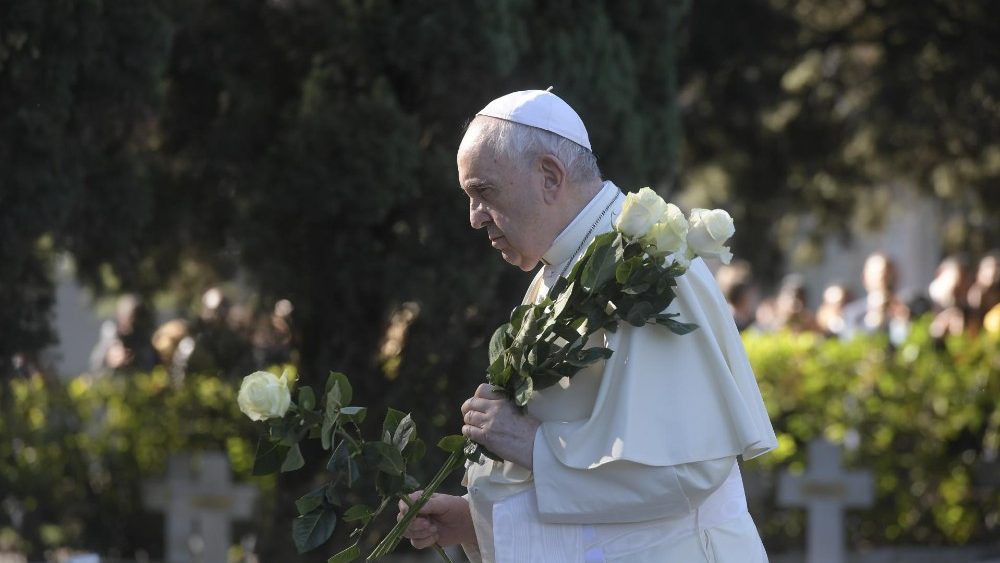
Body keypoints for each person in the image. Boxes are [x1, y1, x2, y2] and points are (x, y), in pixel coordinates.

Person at [398, 90, 777, 562]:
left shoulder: (645, 270)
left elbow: (690, 471)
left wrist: (532, 446)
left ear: (550, 177)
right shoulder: (562, 267)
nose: (474, 218)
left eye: (484, 192)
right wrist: (473, 520)